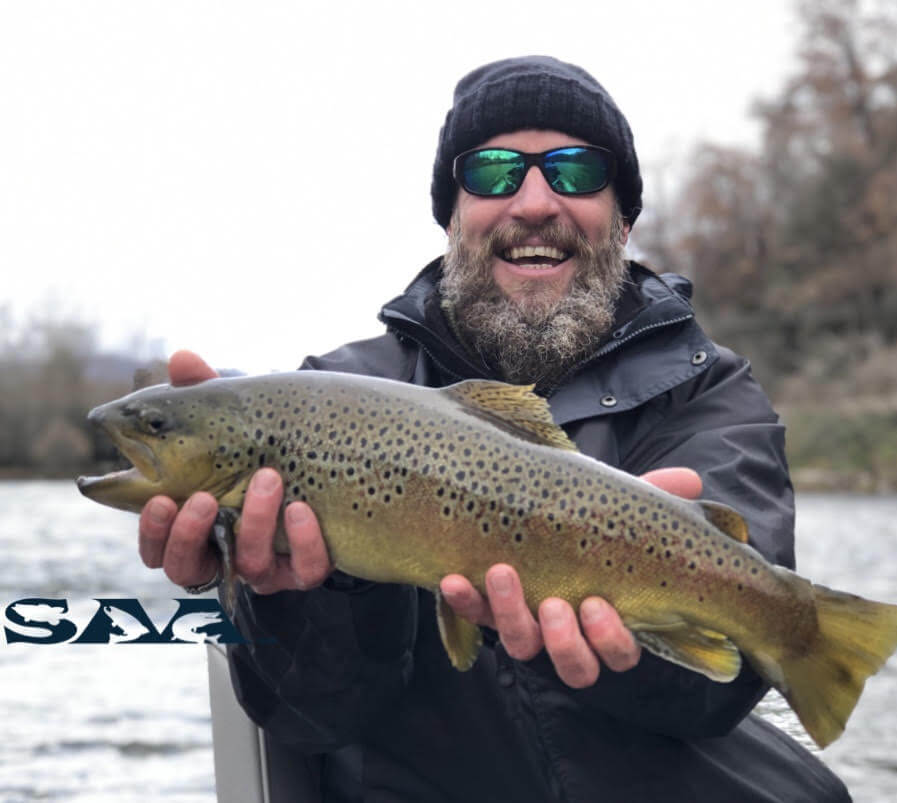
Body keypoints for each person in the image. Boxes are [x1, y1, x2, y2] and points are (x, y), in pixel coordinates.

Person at [139, 57, 851, 802]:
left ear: (626, 220)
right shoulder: (336, 396)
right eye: (493, 171)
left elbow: (726, 676)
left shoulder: (705, 388)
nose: (535, 200)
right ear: (453, 216)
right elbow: (308, 717)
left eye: (575, 171)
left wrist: (621, 592)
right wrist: (283, 595)